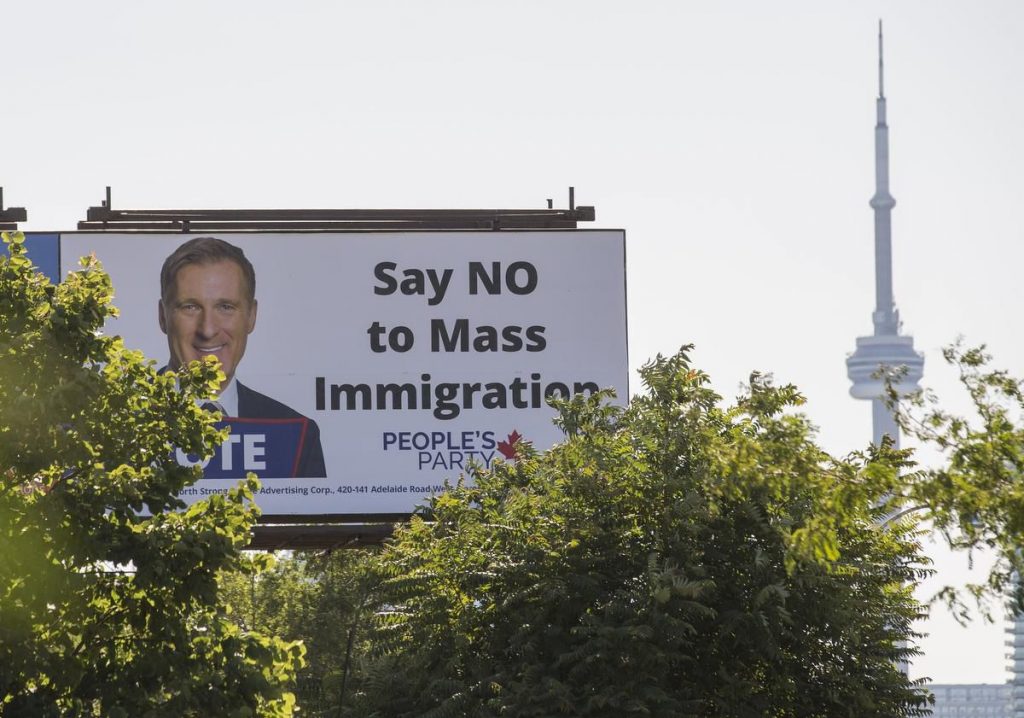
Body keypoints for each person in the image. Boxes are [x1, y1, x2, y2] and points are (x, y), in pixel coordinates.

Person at [159, 236, 326, 478]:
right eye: (190, 307)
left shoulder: (295, 436)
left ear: (251, 316)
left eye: (225, 307)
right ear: (163, 316)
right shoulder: (116, 424)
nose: (208, 330)